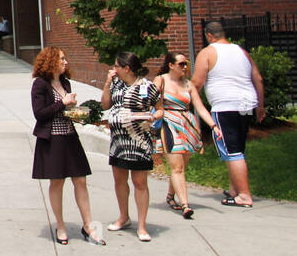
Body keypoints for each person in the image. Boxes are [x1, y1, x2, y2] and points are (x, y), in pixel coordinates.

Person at [30, 46, 104, 246]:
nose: (65, 62)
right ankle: (60, 226)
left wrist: (77, 113)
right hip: (52, 140)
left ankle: (88, 225)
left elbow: (63, 111)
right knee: (57, 183)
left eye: (65, 58)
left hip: (70, 137)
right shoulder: (40, 85)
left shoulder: (66, 83)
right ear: (51, 61)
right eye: (61, 59)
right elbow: (40, 114)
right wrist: (63, 103)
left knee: (80, 180)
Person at [193, 21, 265, 207]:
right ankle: (234, 189)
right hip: (246, 104)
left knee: (232, 151)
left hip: (225, 106)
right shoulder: (242, 51)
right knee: (238, 149)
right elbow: (257, 78)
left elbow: (197, 82)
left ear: (209, 35)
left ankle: (244, 195)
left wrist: (186, 100)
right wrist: (260, 105)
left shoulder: (207, 53)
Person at [153, 51, 221, 220]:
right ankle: (185, 205)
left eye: (186, 64)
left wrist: (214, 126)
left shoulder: (188, 85)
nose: (185, 67)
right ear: (171, 65)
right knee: (177, 167)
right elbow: (150, 102)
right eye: (181, 64)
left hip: (188, 126)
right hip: (168, 124)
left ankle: (170, 196)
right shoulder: (160, 80)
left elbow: (200, 107)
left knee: (181, 166)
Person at [102, 51, 162, 241]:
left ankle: (142, 226)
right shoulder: (116, 84)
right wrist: (107, 84)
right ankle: (123, 216)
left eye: (116, 66)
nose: (114, 69)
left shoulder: (148, 86)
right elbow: (105, 105)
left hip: (139, 141)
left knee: (140, 183)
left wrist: (153, 117)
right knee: (119, 180)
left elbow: (160, 109)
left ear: (126, 68)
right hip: (119, 141)